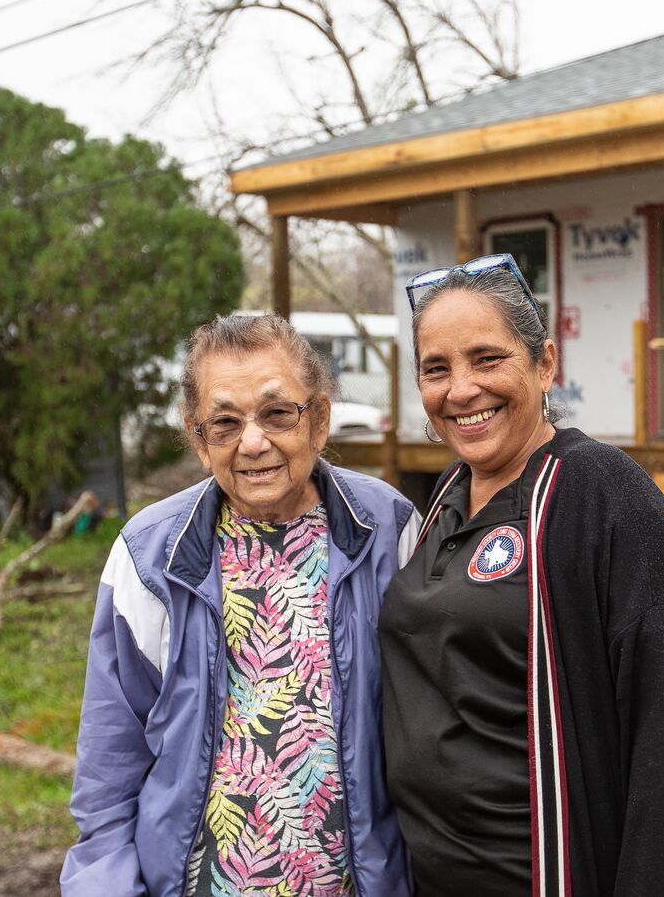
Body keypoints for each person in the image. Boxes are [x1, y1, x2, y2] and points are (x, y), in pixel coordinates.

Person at [379, 255, 664, 896]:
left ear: (544, 363)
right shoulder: (446, 497)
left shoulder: (603, 495)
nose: (460, 390)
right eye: (437, 369)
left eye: (487, 359)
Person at [63, 314, 417, 897]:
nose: (253, 442)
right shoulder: (149, 557)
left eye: (278, 414)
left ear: (320, 420)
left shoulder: (389, 532)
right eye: (225, 423)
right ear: (200, 441)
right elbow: (108, 774)